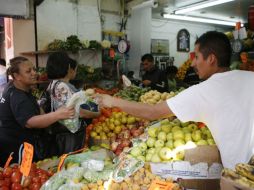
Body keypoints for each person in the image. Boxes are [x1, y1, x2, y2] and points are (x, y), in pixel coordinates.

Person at [96, 31, 254, 170]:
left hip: (240, 176)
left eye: (196, 57)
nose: (192, 63)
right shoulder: (250, 78)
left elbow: (153, 112)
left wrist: (113, 101)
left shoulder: (204, 91)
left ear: (211, 59)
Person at [0, 56, 75, 166]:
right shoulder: (17, 96)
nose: (34, 73)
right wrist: (57, 115)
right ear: (17, 76)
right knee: (23, 178)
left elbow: (36, 110)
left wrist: (50, 116)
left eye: (34, 69)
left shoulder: (16, 87)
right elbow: (30, 122)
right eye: (28, 71)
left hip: (14, 143)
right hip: (17, 148)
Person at [46, 52, 99, 155]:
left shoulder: (53, 83)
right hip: (68, 135)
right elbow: (79, 111)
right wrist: (96, 111)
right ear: (68, 66)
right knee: (70, 161)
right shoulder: (62, 86)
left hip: (62, 133)